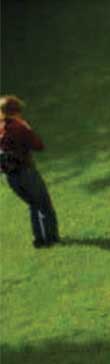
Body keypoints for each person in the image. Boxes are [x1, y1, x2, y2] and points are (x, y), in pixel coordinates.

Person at [0, 96, 59, 249]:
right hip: (26, 172)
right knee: (44, 205)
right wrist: (27, 127)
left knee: (33, 204)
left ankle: (39, 240)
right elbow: (39, 145)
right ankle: (51, 239)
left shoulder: (1, 128)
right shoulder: (19, 127)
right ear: (17, 111)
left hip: (10, 177)